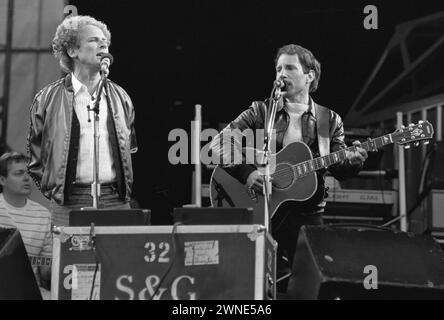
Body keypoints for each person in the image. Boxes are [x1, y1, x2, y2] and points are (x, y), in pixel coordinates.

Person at [211, 44, 368, 293]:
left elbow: (340, 168)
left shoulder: (329, 120)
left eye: (290, 68)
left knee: (313, 285)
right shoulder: (261, 111)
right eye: (278, 68)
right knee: (251, 282)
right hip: (262, 208)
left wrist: (355, 160)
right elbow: (218, 144)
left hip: (307, 212)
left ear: (310, 75)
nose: (281, 74)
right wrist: (248, 173)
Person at [27, 15, 137, 226]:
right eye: (94, 40)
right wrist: (58, 192)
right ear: (72, 51)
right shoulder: (47, 98)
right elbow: (36, 159)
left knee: (119, 257)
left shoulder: (121, 96)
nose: (103, 43)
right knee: (71, 258)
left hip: (116, 198)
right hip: (69, 201)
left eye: (105, 41)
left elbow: (130, 148)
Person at [0, 152, 52, 299]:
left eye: (29, 173)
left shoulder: (44, 215)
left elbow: (46, 269)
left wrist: (62, 258)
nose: (27, 178)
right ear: (2, 180)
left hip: (30, 291)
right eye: (19, 173)